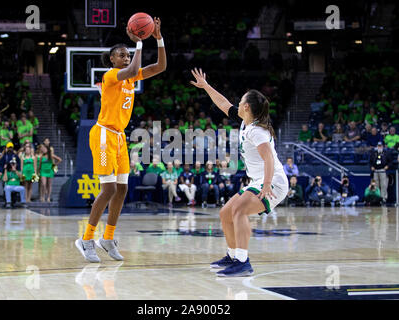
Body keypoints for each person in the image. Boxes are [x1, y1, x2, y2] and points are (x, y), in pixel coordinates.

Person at [76, 18, 167, 263]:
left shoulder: (131, 78)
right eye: (121, 55)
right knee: (108, 189)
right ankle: (86, 239)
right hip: (104, 133)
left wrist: (157, 38)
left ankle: (108, 238)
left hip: (119, 137)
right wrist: (138, 45)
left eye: (127, 54)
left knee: (123, 188)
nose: (126, 57)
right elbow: (129, 70)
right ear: (112, 59)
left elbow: (160, 67)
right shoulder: (111, 76)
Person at [190, 68, 288, 277]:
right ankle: (233, 255)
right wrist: (206, 86)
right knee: (226, 213)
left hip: (273, 182)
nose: (237, 103)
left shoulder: (257, 131)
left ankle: (243, 262)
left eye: (241, 100)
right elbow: (223, 103)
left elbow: (268, 158)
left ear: (246, 107)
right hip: (261, 180)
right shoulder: (246, 122)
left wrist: (268, 185)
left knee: (239, 211)